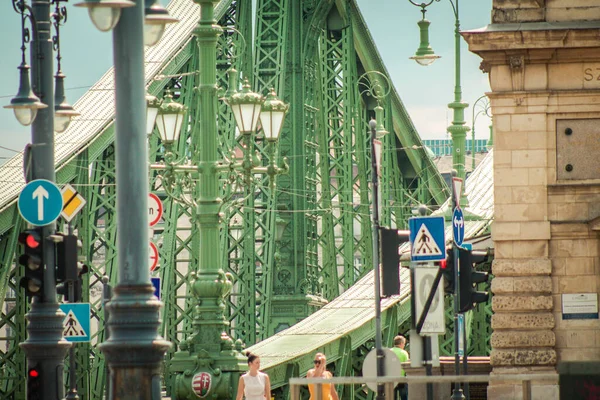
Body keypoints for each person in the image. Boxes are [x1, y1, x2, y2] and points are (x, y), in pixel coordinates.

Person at [390, 335, 409, 400]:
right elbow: (407, 366)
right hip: (401, 379)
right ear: (401, 343)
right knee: (404, 397)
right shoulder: (404, 353)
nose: (404, 345)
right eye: (404, 344)